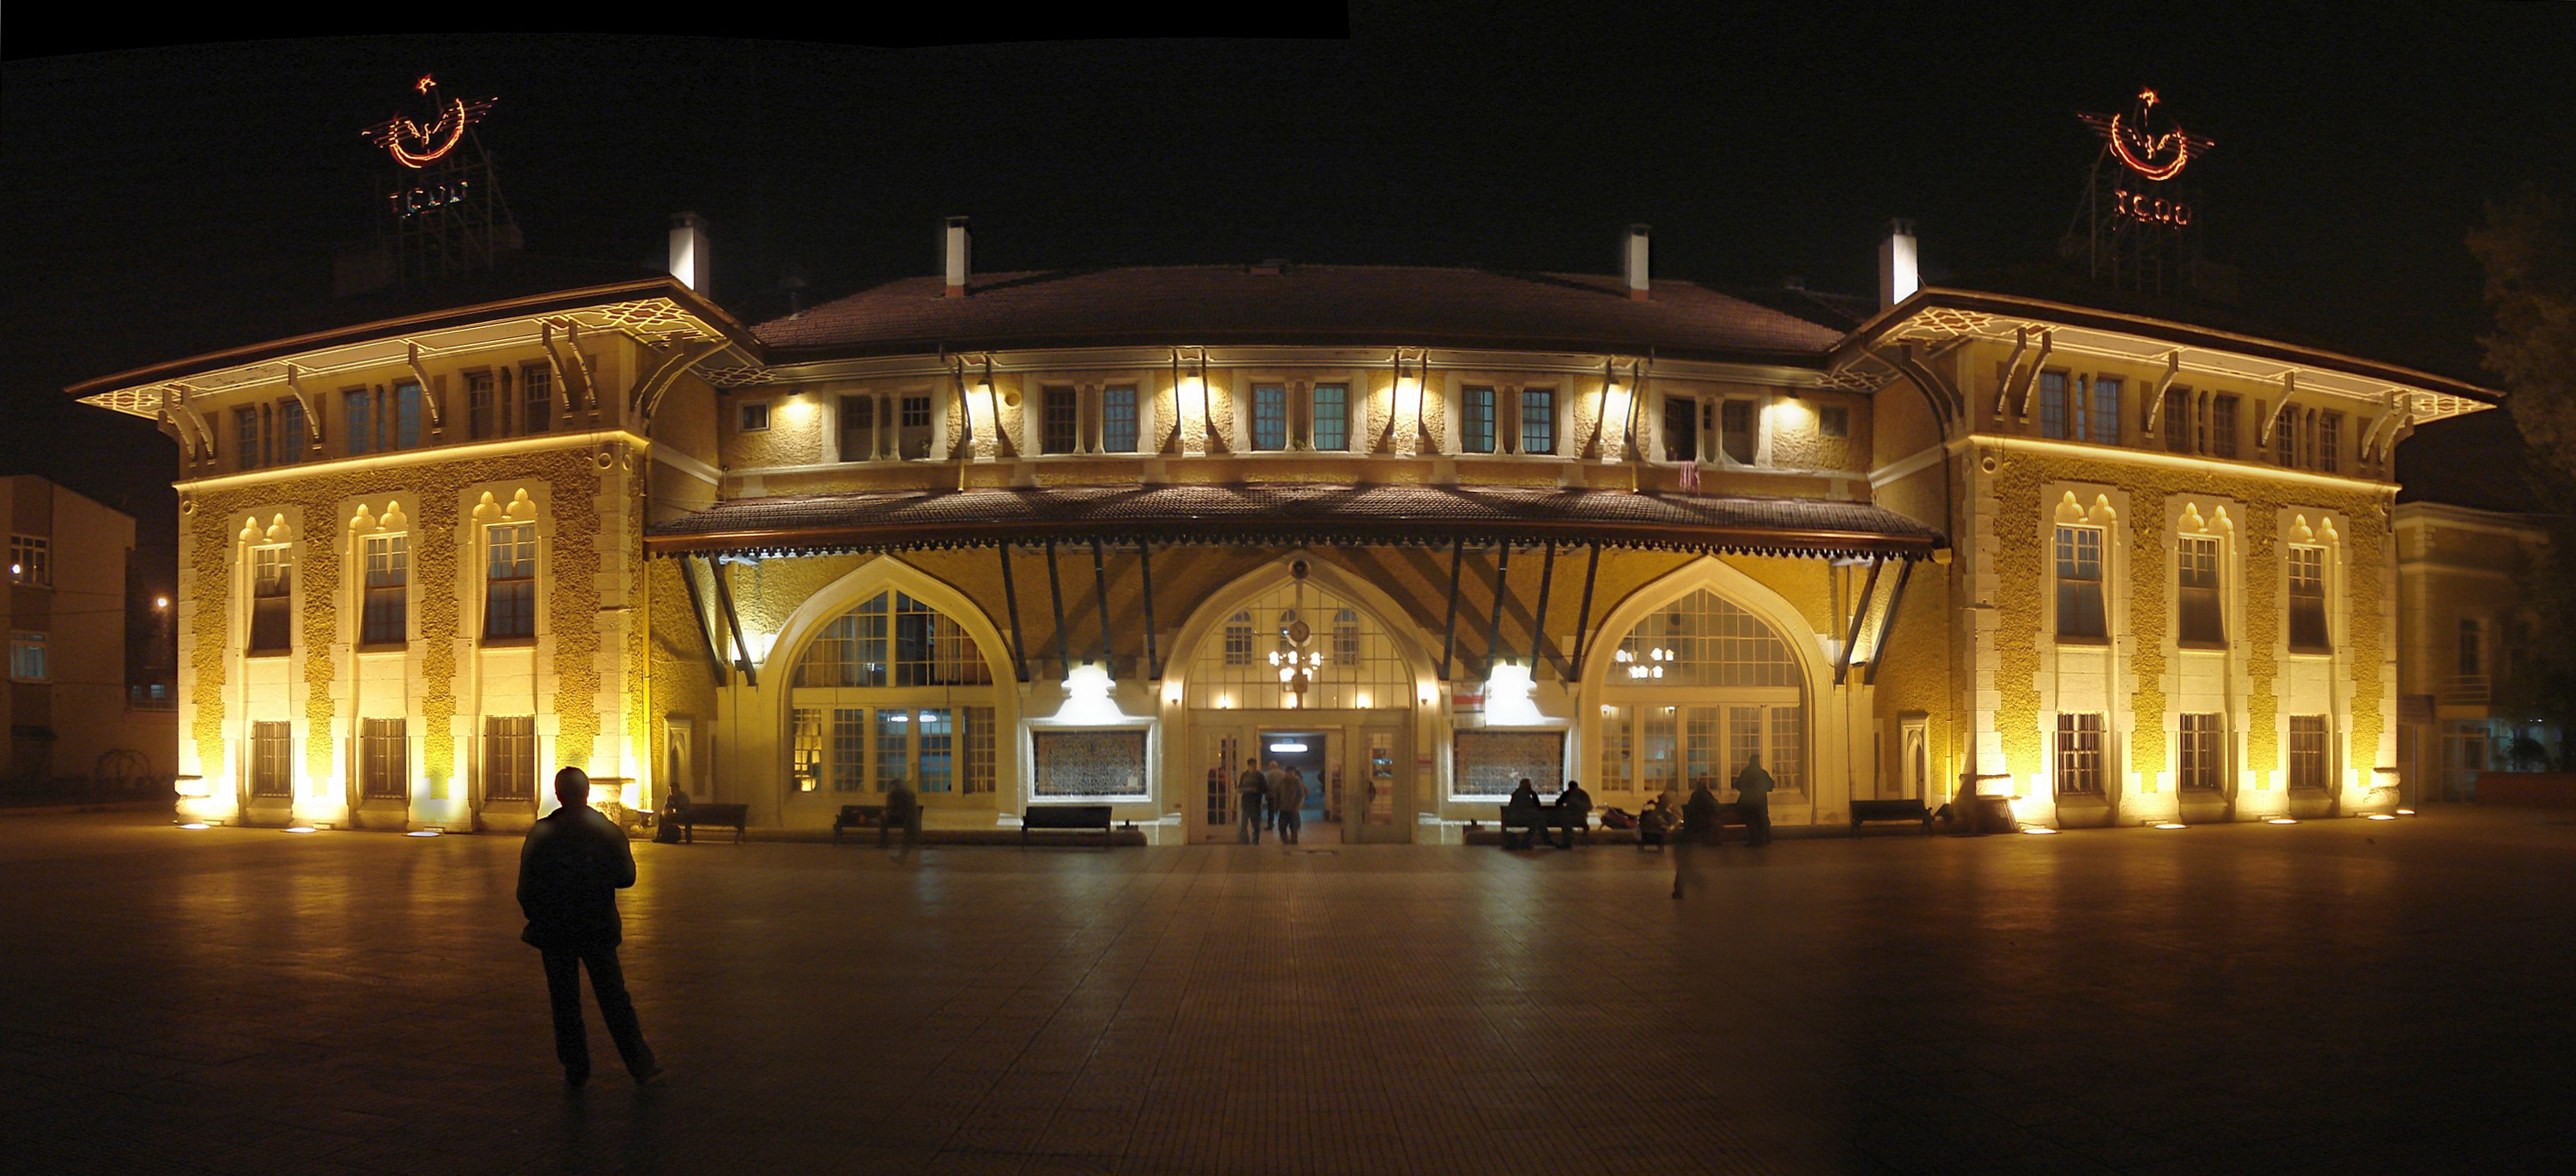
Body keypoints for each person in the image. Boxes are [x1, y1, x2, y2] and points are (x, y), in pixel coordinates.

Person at [519, 767, 660, 1087]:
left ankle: (575, 1067)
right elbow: (627, 876)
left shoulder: (543, 831)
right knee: (613, 998)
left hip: (555, 929)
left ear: (558, 794)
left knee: (564, 1001)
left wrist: (538, 917)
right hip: (596, 925)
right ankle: (639, 1063)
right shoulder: (604, 830)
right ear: (586, 793)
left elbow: (526, 886)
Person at [1672, 778, 1722, 898]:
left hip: (1693, 828)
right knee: (1688, 865)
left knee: (1685, 865)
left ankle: (1681, 888)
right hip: (1703, 827)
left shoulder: (1695, 796)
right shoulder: (1707, 796)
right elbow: (1715, 807)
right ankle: (1694, 883)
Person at [1732, 754, 1776, 846]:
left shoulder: (1746, 773)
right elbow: (1770, 785)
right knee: (1763, 820)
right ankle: (1766, 838)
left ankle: (1754, 840)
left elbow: (1739, 785)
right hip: (1760, 801)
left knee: (1751, 821)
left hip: (1748, 802)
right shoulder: (1762, 773)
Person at [880, 776, 920, 854]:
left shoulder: (906, 795)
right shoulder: (894, 795)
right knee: (884, 820)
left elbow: (908, 807)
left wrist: (890, 812)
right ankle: (883, 842)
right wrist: (888, 812)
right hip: (899, 816)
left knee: (908, 821)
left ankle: (884, 842)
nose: (894, 788)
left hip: (903, 816)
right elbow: (889, 806)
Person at [1503, 777, 1546, 850]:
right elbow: (1535, 806)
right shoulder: (1523, 794)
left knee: (1538, 821)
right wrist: (1533, 794)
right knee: (1538, 821)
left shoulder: (1518, 793)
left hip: (1517, 816)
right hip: (1519, 817)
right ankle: (1528, 841)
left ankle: (1528, 841)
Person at [1552, 778, 1593, 849]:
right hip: (1571, 816)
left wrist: (1577, 804)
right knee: (1566, 823)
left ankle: (1567, 842)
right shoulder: (1570, 793)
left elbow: (1589, 807)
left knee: (1566, 823)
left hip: (1579, 817)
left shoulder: (1580, 794)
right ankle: (1567, 842)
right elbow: (1558, 803)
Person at [1273, 765, 1309, 846]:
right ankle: (1286, 840)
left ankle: (1294, 841)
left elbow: (1302, 794)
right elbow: (1277, 794)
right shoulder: (1282, 782)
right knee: (1282, 827)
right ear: (1286, 772)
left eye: (1292, 772)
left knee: (1294, 827)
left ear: (1294, 773)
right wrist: (1277, 806)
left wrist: (1298, 805)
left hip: (1293, 808)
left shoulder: (1297, 782)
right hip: (1283, 808)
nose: (1290, 774)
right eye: (1289, 772)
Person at [1236, 757, 1269, 844]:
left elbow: (1265, 788)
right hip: (1252, 802)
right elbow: (1265, 788)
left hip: (1252, 802)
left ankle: (1251, 841)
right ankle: (1251, 841)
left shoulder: (1247, 775)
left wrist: (1252, 790)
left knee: (1252, 823)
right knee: (1251, 823)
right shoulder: (1258, 776)